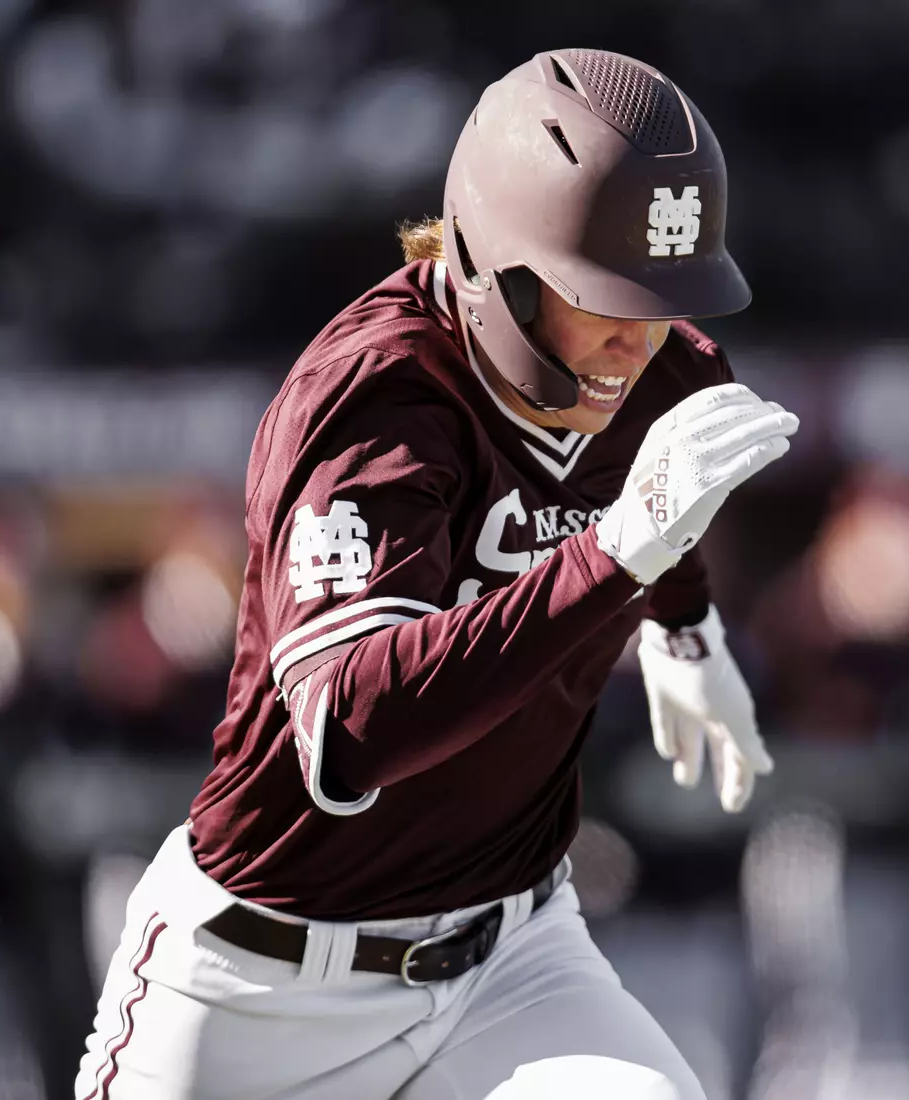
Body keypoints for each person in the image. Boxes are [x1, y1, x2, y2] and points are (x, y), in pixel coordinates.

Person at [74, 48, 798, 1100]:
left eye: (663, 293)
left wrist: (684, 626)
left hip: (509, 958)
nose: (637, 336)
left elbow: (661, 502)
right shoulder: (374, 400)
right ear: (493, 264)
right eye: (603, 292)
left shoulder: (666, 370)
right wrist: (612, 560)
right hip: (262, 981)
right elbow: (356, 725)